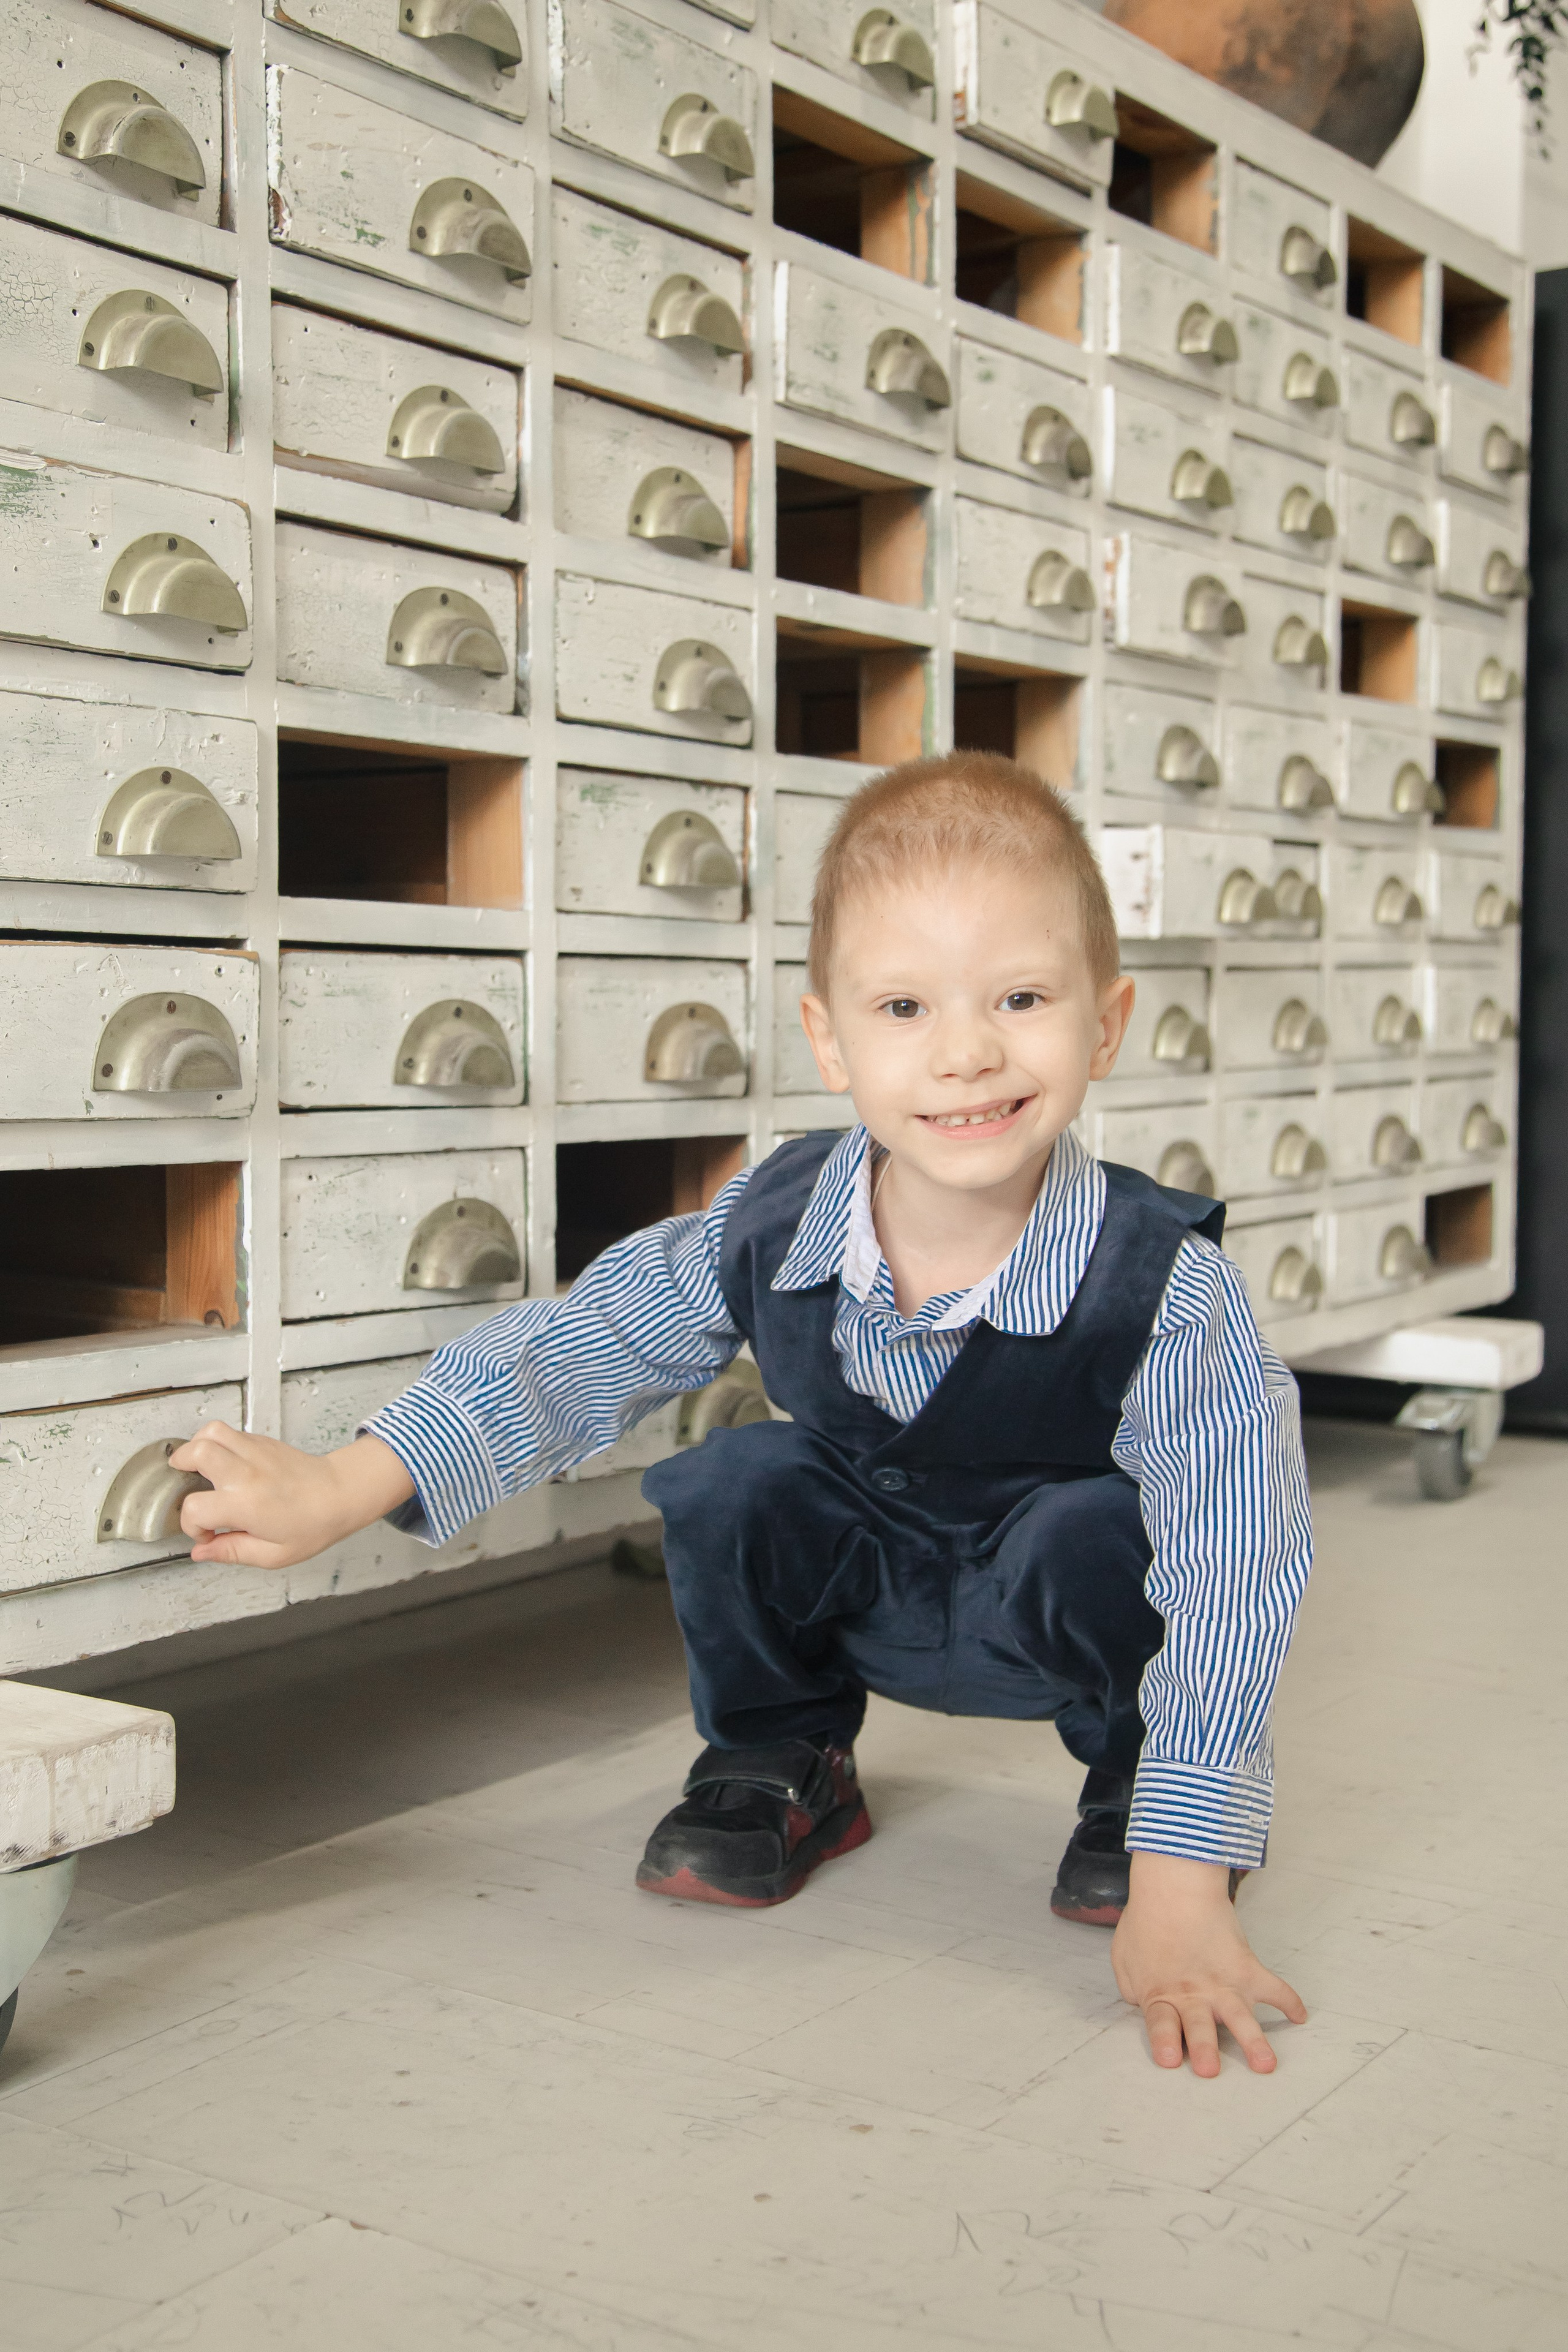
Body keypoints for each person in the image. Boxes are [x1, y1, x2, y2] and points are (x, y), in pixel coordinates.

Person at [172, 752, 1312, 2078]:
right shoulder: (770, 1225)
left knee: (1095, 1529)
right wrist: (346, 1482)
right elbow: (577, 1351)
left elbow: (1234, 1570)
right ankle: (785, 1761)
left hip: (1050, 1601)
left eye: (1020, 996)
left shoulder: (1164, 1284)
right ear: (826, 1036)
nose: (965, 1052)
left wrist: (1187, 1873)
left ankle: (1137, 1802)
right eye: (902, 1006)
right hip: (871, 1582)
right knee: (737, 1482)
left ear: (1103, 1024)